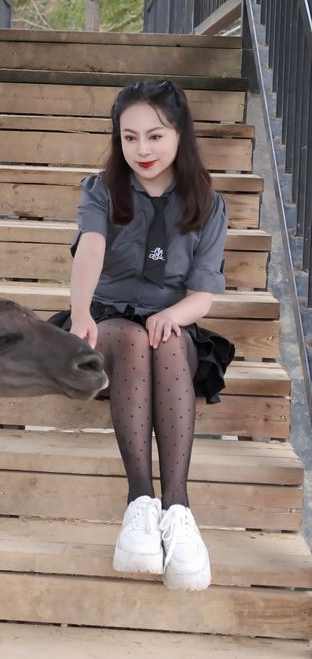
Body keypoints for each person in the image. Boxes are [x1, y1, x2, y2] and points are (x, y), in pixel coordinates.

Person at [65, 79, 234, 591]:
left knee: (161, 337)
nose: (142, 150)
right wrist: (79, 315)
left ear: (181, 135)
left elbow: (204, 294)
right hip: (109, 318)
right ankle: (141, 502)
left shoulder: (207, 202)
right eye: (129, 137)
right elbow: (90, 248)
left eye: (155, 136)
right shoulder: (102, 189)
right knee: (136, 339)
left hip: (171, 320)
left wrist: (176, 315)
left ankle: (177, 512)